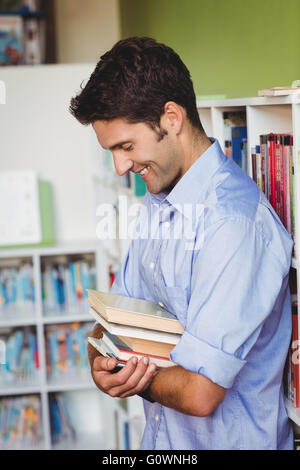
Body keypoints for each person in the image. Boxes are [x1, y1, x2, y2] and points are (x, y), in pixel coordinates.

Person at [69, 37, 294, 450]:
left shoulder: (233, 224)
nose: (121, 166)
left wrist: (133, 378)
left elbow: (199, 392)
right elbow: (113, 323)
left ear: (171, 117)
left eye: (126, 146)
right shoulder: (160, 197)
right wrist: (101, 363)